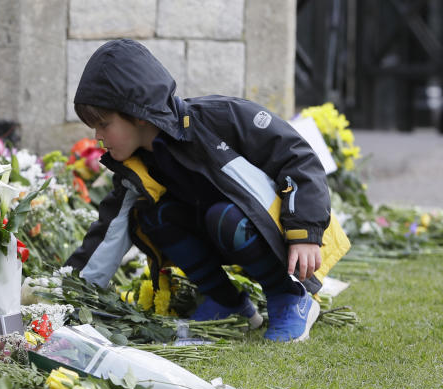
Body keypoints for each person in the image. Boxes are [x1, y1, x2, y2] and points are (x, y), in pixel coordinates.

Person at [65, 39, 350, 342]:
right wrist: (67, 293)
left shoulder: (220, 118)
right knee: (153, 216)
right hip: (224, 235)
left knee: (222, 216)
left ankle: (289, 296)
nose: (96, 137)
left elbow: (299, 158)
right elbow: (108, 232)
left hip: (278, 235)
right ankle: (228, 304)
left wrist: (304, 231)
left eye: (103, 125)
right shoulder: (135, 167)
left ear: (136, 113)